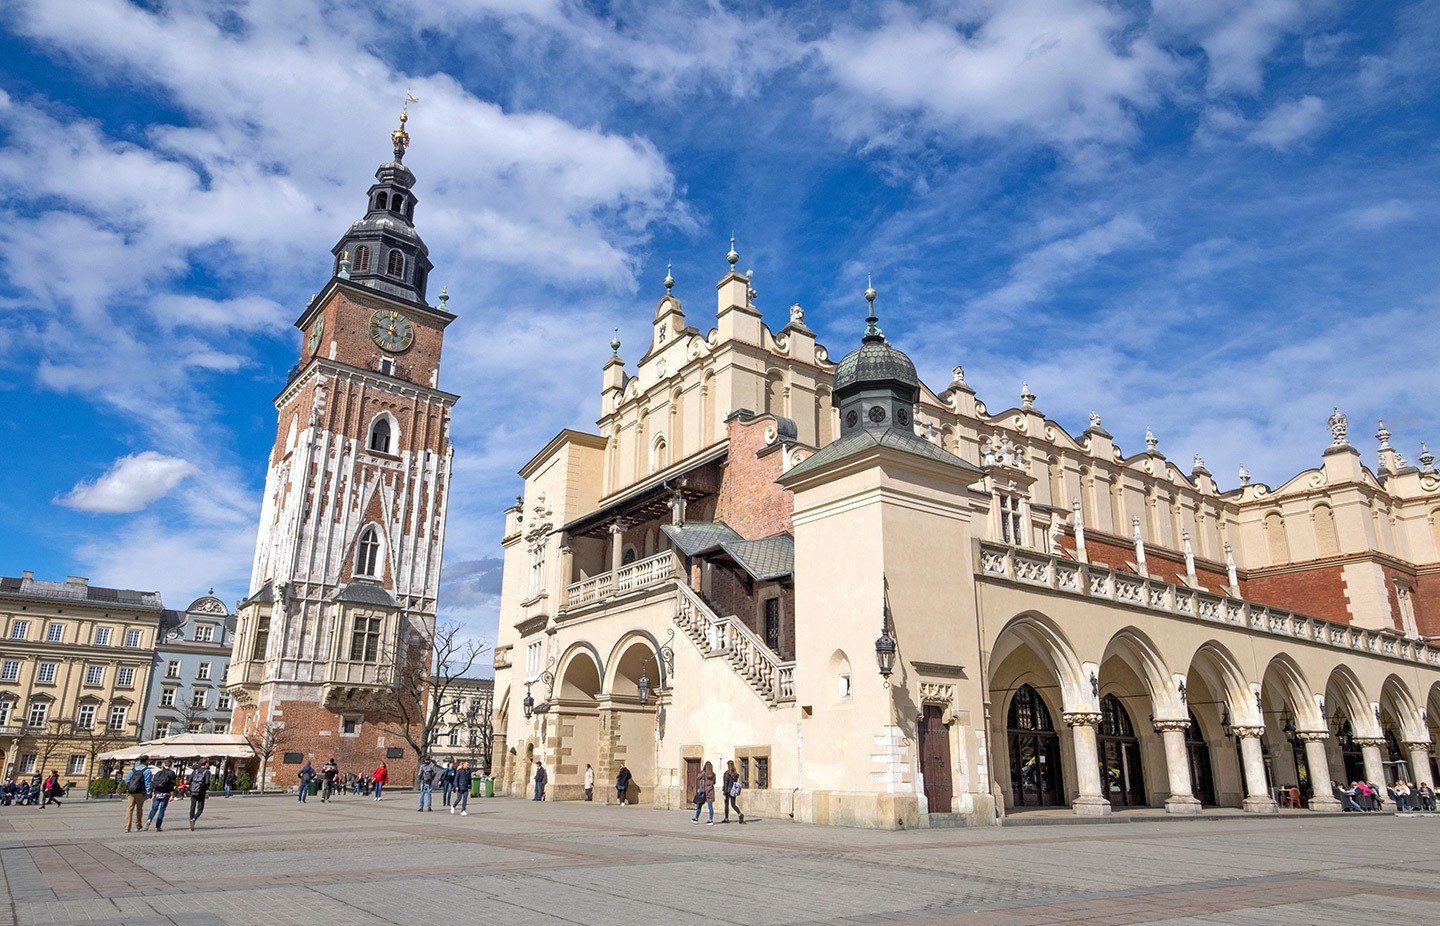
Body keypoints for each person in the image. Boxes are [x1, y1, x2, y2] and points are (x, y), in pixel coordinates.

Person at [123, 756, 153, 832]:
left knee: (129, 809)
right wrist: (148, 793)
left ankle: (127, 826)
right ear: (146, 761)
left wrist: (131, 786)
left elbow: (126, 780)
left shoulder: (133, 770)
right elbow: (147, 783)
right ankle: (138, 825)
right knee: (139, 809)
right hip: (140, 793)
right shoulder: (147, 771)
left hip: (131, 792)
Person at [146, 763, 179, 830]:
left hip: (157, 793)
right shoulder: (171, 773)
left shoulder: (158, 772)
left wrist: (153, 793)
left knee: (154, 808)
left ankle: (149, 819)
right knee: (162, 809)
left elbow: (153, 783)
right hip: (165, 793)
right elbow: (172, 785)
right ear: (171, 765)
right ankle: (158, 826)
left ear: (164, 765)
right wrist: (172, 795)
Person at [187, 761, 212, 831]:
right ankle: (194, 819)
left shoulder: (195, 771)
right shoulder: (207, 772)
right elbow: (207, 782)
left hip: (193, 790)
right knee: (200, 808)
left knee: (192, 807)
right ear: (206, 764)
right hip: (201, 791)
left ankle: (191, 822)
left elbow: (189, 781)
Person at [691, 760, 716, 825]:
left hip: (703, 792)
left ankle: (696, 818)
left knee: (699, 805)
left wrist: (702, 771)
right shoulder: (713, 775)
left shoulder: (704, 773)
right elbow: (714, 782)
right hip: (710, 792)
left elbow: (698, 777)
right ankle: (710, 820)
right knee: (710, 806)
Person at [721, 759, 745, 824]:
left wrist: (724, 793)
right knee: (733, 804)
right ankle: (740, 814)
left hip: (727, 791)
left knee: (726, 805)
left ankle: (726, 818)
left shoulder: (727, 773)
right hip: (733, 791)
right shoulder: (735, 774)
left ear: (728, 765)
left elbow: (725, 784)